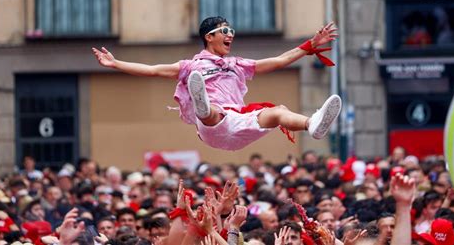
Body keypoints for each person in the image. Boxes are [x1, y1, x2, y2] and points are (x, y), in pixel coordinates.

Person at [92, 16, 341, 151]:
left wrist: (309, 45)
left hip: (238, 124)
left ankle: (313, 125)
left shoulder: (237, 63)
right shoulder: (191, 65)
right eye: (225, 30)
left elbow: (278, 60)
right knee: (212, 113)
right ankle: (202, 106)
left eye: (231, 31)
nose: (230, 35)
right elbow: (153, 70)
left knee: (277, 112)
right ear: (209, 37)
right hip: (214, 128)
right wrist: (116, 64)